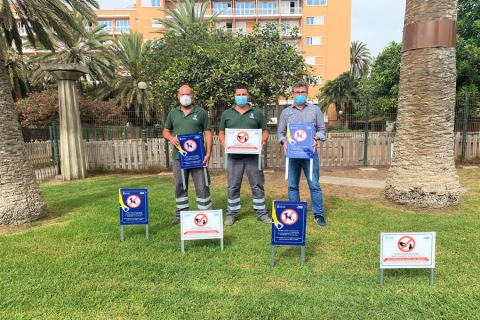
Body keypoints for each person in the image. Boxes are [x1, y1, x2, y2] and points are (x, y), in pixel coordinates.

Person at [277, 81, 328, 227]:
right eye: (297, 93)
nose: (300, 95)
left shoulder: (315, 110)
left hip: (310, 155)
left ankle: (318, 215)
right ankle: (295, 214)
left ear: (307, 93)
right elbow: (280, 133)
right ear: (292, 94)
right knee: (293, 185)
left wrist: (315, 138)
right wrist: (283, 141)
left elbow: (322, 130)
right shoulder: (286, 112)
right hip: (292, 155)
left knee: (314, 185)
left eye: (303, 92)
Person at [219, 85, 271, 226]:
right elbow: (221, 133)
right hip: (234, 157)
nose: (241, 97)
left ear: (248, 96)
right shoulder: (226, 114)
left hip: (252, 156)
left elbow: (264, 131)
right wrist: (223, 141)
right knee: (233, 186)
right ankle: (231, 214)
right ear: (234, 96)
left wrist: (263, 140)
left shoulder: (257, 113)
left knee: (257, 185)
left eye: (244, 94)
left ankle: (262, 213)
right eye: (238, 94)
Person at [163, 85, 213, 226]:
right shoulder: (173, 113)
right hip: (179, 157)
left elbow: (208, 133)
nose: (185, 96)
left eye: (188, 94)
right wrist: (171, 138)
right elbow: (165, 131)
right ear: (178, 96)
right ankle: (181, 214)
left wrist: (208, 153)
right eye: (182, 94)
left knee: (202, 185)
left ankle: (205, 212)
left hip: (198, 157)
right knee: (180, 185)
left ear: (192, 96)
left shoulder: (201, 112)